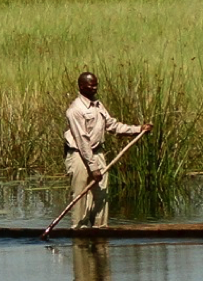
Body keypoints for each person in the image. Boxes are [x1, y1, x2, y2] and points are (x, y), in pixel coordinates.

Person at [63, 72, 151, 228]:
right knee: (80, 195)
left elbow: (112, 125)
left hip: (97, 152)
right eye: (91, 85)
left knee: (101, 194)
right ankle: (79, 230)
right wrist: (92, 167)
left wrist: (138, 129)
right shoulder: (75, 110)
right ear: (81, 86)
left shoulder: (97, 104)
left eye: (96, 84)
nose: (95, 88)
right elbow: (82, 141)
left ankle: (99, 229)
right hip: (79, 155)